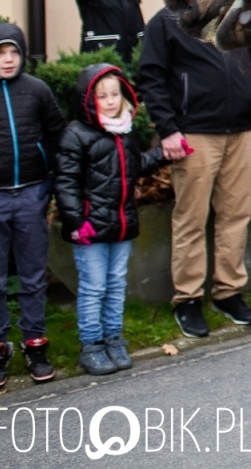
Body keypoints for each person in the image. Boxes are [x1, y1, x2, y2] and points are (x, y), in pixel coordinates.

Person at [137, 6, 251, 337]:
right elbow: (150, 76)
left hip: (239, 130)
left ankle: (228, 292)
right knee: (191, 218)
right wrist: (167, 129)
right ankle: (188, 298)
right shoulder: (167, 21)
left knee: (236, 214)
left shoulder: (236, 14)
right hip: (193, 133)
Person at [54, 64, 168, 375]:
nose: (110, 101)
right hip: (89, 227)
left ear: (124, 96)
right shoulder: (76, 135)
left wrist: (164, 154)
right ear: (88, 100)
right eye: (102, 96)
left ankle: (113, 339)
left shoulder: (125, 131)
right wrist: (76, 223)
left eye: (115, 94)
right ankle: (91, 345)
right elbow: (65, 182)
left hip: (121, 224)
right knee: (93, 287)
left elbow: (135, 166)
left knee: (116, 284)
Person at [0, 23, 64, 386]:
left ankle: (35, 344)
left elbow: (57, 134)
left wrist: (52, 182)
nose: (8, 59)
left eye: (13, 52)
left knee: (33, 276)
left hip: (32, 194)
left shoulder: (37, 90)